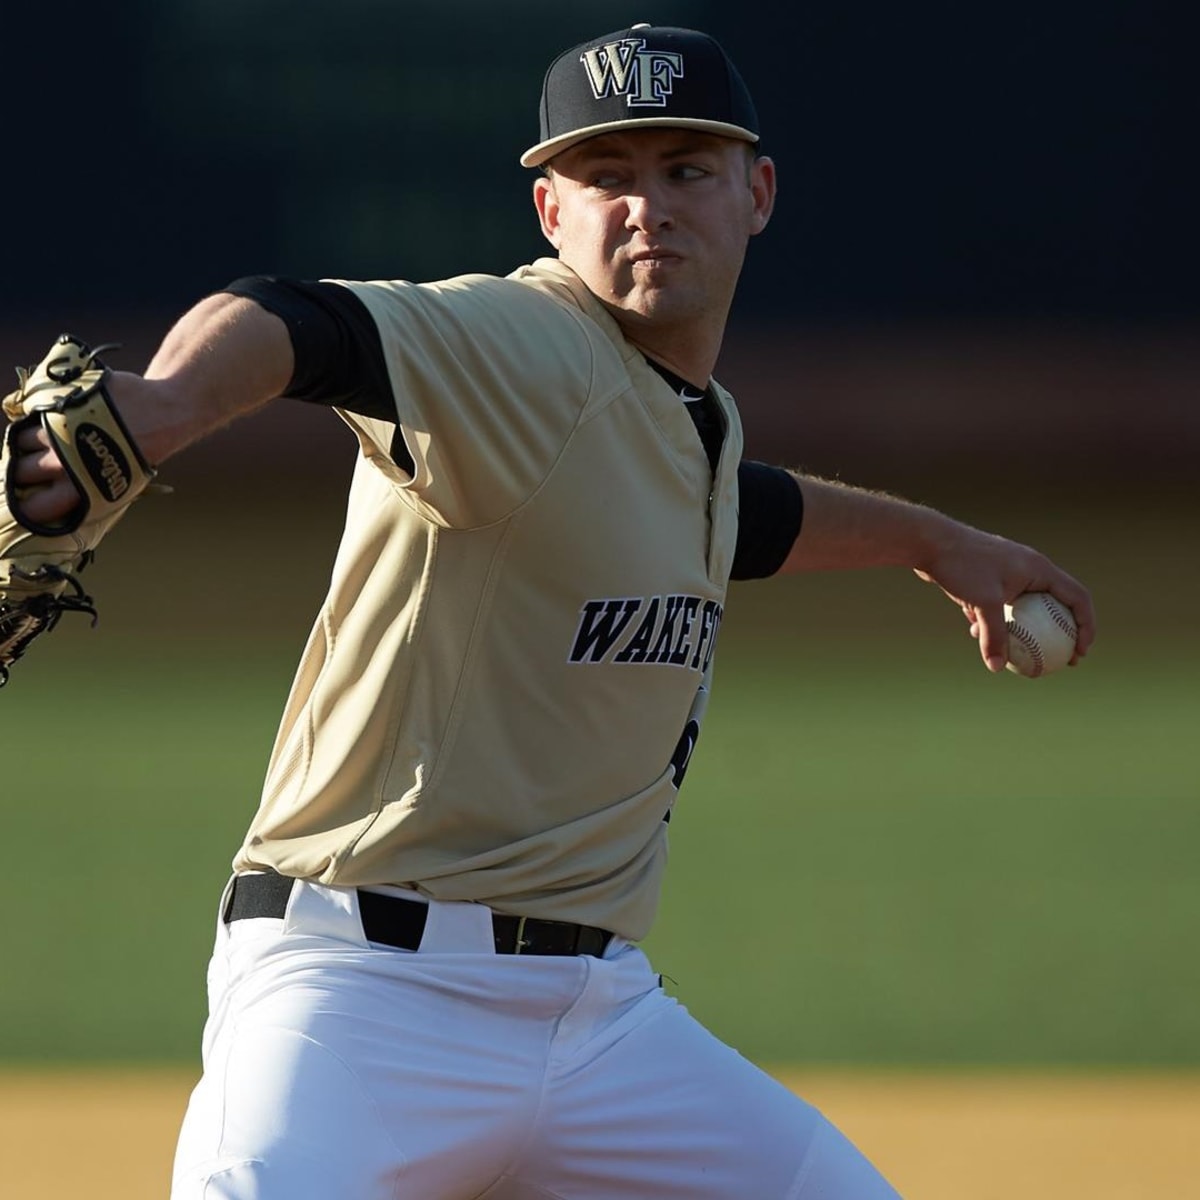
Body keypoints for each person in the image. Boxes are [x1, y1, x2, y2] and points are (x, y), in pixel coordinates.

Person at [9, 23, 1094, 1200]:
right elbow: (300, 322)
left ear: (758, 192)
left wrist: (940, 544)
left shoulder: (688, 422)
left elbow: (741, 513)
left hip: (601, 1027)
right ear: (549, 214)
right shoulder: (522, 345)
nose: (647, 208)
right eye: (607, 177)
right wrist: (166, 401)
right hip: (358, 1003)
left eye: (685, 170)